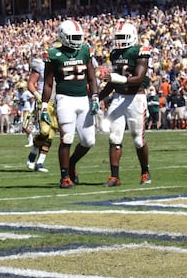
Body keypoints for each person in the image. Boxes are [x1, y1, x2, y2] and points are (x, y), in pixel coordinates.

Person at [41, 19, 98, 189]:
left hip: (83, 99)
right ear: (63, 36)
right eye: (73, 36)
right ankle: (64, 176)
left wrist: (95, 96)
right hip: (65, 99)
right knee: (67, 139)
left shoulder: (85, 50)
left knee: (89, 141)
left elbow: (92, 76)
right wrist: (44, 105)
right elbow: (48, 83)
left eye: (78, 36)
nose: (77, 40)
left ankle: (72, 163)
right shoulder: (53, 54)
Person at [97, 21, 152, 186]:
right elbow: (113, 83)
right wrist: (98, 96)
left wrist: (115, 78)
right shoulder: (115, 54)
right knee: (114, 137)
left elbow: (138, 79)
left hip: (136, 98)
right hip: (119, 97)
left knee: (138, 140)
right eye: (118, 37)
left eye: (123, 37)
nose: (120, 40)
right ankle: (114, 176)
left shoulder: (140, 51)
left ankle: (145, 172)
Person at [25, 57, 53, 173]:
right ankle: (33, 153)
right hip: (44, 101)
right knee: (44, 131)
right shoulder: (41, 64)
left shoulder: (63, 63)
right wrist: (38, 96)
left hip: (58, 101)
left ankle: (40, 162)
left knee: (51, 135)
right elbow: (31, 83)